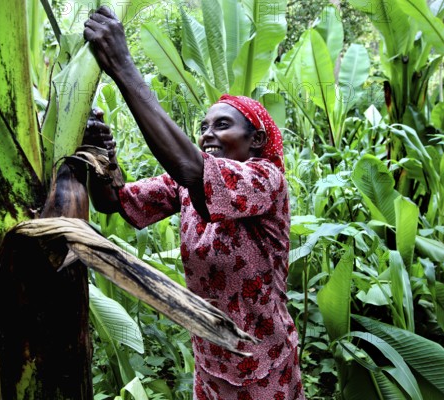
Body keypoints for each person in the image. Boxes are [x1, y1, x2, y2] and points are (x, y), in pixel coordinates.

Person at [83, 6, 305, 400]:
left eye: (222, 125)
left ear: (255, 140)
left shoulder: (265, 178)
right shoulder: (188, 184)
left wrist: (122, 67)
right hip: (211, 358)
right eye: (203, 127)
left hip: (262, 363)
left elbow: (190, 169)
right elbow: (114, 202)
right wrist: (101, 155)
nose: (207, 134)